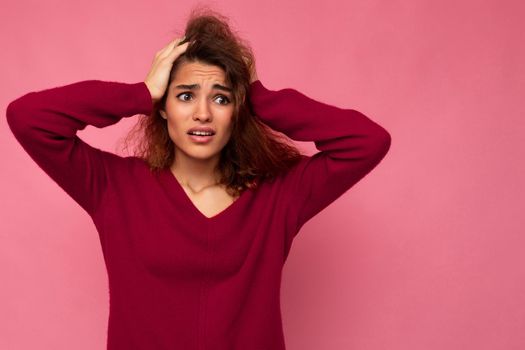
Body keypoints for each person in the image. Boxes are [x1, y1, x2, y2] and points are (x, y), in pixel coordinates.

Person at [6, 8, 391, 350]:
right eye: (186, 95)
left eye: (221, 98)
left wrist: (260, 97)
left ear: (237, 111)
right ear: (163, 107)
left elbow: (368, 142)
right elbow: (28, 117)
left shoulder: (278, 196)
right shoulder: (113, 187)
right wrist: (139, 93)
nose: (203, 113)